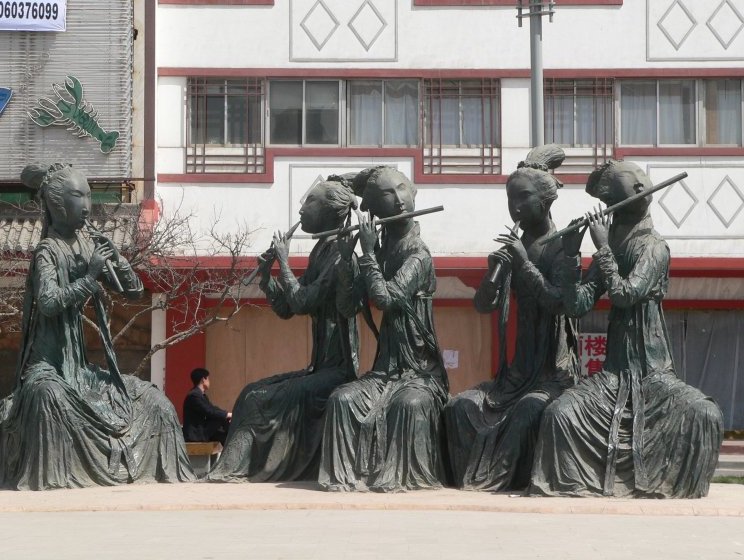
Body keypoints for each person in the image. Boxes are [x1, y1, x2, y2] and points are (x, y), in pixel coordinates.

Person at [0, 163, 194, 490]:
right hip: (49, 369)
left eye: (88, 195)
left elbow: (134, 291)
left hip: (79, 370)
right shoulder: (47, 251)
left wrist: (119, 260)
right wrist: (89, 277)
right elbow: (50, 302)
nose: (86, 204)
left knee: (151, 398)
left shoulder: (86, 245)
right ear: (57, 204)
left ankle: (154, 468)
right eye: (77, 196)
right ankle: (55, 475)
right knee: (48, 396)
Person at [528, 160, 724, 498]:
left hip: (653, 373)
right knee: (559, 413)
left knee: (704, 413)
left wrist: (603, 248)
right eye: (631, 185)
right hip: (614, 375)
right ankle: (574, 484)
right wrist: (572, 256)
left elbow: (625, 294)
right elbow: (577, 304)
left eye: (640, 181)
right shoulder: (615, 244)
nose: (640, 187)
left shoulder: (653, 247)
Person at [444, 146, 581, 491]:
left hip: (552, 369)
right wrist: (495, 274)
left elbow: (559, 303)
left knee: (529, 411)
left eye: (523, 198)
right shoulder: (514, 249)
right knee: (461, 407)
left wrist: (522, 263)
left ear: (546, 202)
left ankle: (500, 480)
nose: (515, 207)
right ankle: (467, 478)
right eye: (510, 199)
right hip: (517, 371)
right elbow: (482, 307)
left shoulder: (563, 247)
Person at [207, 178, 360, 482]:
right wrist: (267, 277)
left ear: (332, 212)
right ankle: (231, 469)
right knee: (250, 391)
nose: (302, 209)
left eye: (311, 202)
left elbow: (303, 301)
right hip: (318, 368)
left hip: (337, 370)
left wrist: (285, 263)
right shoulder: (321, 253)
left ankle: (234, 471)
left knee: (258, 399)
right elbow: (287, 308)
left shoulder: (343, 257)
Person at [318, 166, 449, 492]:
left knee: (410, 405)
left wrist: (366, 255)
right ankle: (344, 477)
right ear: (374, 210)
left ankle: (406, 477)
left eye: (402, 190)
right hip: (385, 369)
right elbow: (348, 307)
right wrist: (349, 262)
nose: (399, 200)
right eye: (388, 196)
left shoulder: (418, 255)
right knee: (342, 399)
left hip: (419, 370)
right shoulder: (377, 250)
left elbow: (387, 298)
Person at [183, 368, 231, 443]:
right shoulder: (194, 396)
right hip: (196, 435)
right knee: (221, 418)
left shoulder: (201, 395)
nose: (209, 382)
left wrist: (227, 414)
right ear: (203, 379)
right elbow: (209, 411)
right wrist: (227, 415)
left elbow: (213, 408)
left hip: (203, 432)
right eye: (208, 379)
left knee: (225, 438)